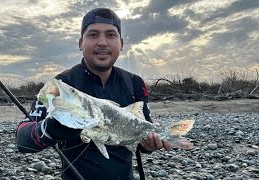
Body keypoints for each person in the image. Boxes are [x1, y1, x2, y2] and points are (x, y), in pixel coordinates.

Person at [16, 7, 171, 180]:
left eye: (111, 35)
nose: (102, 42)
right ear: (80, 43)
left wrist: (149, 145)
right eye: (93, 35)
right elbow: (22, 140)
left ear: (121, 43)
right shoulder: (59, 86)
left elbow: (141, 138)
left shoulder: (135, 83)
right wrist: (52, 128)